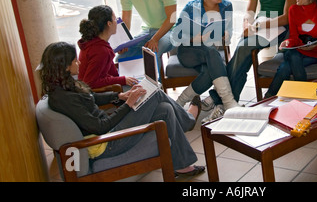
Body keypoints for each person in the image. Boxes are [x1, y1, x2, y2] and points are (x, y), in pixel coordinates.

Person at [38, 41, 205, 176]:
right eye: (75, 60)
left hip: (107, 131)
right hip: (108, 142)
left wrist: (119, 97)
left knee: (165, 109)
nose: (79, 62)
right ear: (65, 66)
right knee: (155, 94)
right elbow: (100, 126)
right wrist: (128, 105)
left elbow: (91, 97)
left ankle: (182, 165)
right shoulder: (64, 99)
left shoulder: (62, 86)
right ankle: (188, 121)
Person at [209, 0, 297, 102]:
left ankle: (223, 97)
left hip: (280, 27)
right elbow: (249, 12)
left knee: (244, 47)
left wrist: (258, 26)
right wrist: (246, 26)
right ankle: (229, 98)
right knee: (242, 51)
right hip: (261, 26)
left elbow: (286, 18)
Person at [171, 0, 239, 123]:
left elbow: (228, 30)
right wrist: (195, 39)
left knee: (210, 69)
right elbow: (175, 35)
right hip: (189, 52)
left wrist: (227, 34)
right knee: (211, 51)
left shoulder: (227, 6)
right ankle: (228, 102)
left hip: (209, 52)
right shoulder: (191, 7)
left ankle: (179, 102)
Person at [78, 5, 138, 90]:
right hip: (101, 93)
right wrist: (122, 80)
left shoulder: (92, 41)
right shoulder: (101, 51)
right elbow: (91, 83)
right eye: (114, 19)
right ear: (109, 24)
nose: (116, 22)